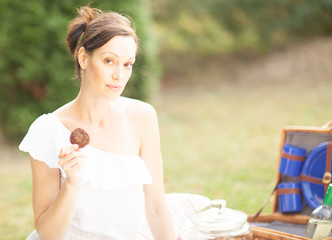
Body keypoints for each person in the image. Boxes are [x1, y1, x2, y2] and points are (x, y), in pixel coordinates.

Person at [19, 5, 177, 240]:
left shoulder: (142, 117)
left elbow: (156, 207)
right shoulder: (49, 131)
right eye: (109, 61)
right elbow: (48, 235)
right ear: (83, 58)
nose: (119, 75)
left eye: (127, 64)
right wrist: (71, 184)